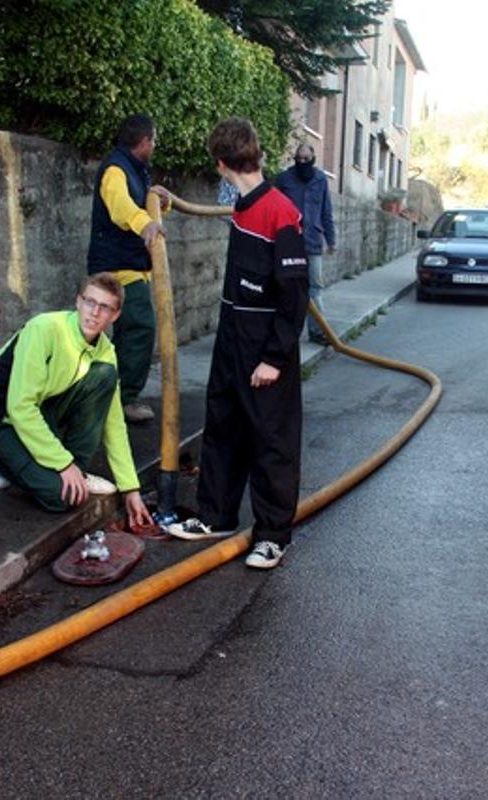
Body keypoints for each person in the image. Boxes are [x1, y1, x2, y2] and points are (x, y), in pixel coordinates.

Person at [165, 118, 309, 570]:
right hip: (231, 337)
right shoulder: (242, 206)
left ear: (223, 164)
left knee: (271, 439)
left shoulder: (280, 212)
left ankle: (272, 536)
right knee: (223, 427)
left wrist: (273, 358)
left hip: (265, 346)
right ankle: (216, 515)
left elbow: (294, 296)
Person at [0, 274, 154, 530]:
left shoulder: (105, 351)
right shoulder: (44, 329)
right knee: (61, 498)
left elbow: (113, 423)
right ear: (78, 302)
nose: (94, 313)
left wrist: (130, 488)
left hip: (41, 409)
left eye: (105, 307)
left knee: (104, 375)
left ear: (115, 315)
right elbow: (20, 407)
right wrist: (62, 464)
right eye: (90, 302)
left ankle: (77, 471)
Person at [87, 114, 171, 424]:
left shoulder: (136, 171)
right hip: (115, 266)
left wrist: (161, 203)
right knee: (139, 327)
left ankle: (110, 398)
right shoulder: (115, 169)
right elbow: (121, 206)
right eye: (154, 140)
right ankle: (123, 401)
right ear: (145, 140)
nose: (155, 145)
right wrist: (144, 223)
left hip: (130, 265)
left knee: (122, 334)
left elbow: (140, 204)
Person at [275, 143, 336, 344]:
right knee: (285, 287)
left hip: (312, 242)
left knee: (315, 288)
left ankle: (317, 331)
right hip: (288, 241)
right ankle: (284, 332)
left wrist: (331, 240)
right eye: (299, 159)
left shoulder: (320, 180)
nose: (302, 162)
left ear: (313, 159)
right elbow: (273, 209)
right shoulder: (284, 179)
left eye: (306, 159)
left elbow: (326, 211)